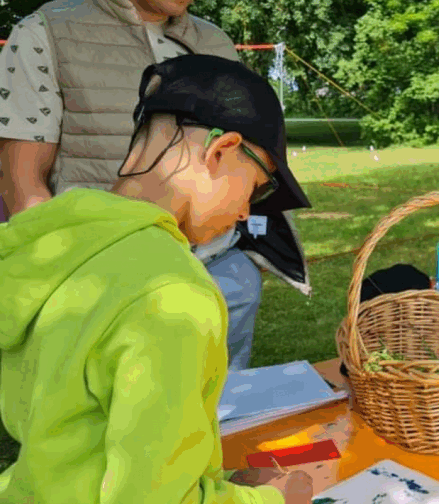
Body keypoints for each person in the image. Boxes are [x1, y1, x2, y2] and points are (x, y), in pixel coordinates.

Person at [0, 55, 315, 503]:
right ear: (220, 150)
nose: (248, 211)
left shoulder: (51, 241)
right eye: (258, 186)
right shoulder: (173, 295)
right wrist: (276, 497)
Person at [0, 0, 311, 371]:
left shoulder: (213, 43)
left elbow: (240, 159)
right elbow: (22, 180)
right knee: (113, 424)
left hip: (216, 268)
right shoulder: (44, 32)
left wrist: (249, 255)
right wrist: (67, 278)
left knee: (219, 416)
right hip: (104, 275)